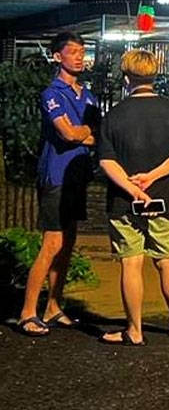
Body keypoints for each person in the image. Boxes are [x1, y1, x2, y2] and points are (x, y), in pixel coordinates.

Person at [97, 50, 169, 345]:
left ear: (126, 78)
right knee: (167, 260)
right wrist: (153, 177)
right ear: (155, 76)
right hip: (163, 199)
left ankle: (135, 330)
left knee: (131, 263)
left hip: (124, 200)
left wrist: (133, 189)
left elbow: (106, 161)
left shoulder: (113, 115)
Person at [17, 32, 101, 336]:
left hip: (78, 176)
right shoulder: (51, 93)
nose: (79, 57)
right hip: (55, 175)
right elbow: (67, 134)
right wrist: (84, 132)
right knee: (51, 243)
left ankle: (53, 305)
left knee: (68, 244)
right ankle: (27, 311)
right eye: (73, 52)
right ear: (58, 57)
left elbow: (96, 136)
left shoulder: (88, 95)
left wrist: (84, 132)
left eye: (82, 51)